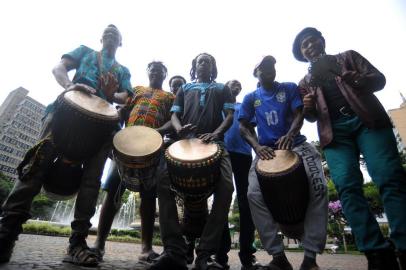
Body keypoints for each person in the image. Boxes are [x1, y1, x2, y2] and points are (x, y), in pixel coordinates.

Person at [0, 24, 132, 267]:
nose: (111, 33)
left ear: (120, 42)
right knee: (35, 166)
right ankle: (6, 233)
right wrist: (69, 85)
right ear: (101, 37)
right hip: (65, 112)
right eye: (107, 31)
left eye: (116, 33)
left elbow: (126, 97)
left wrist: (114, 96)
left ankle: (77, 243)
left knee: (92, 180)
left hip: (103, 125)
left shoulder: (123, 70)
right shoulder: (84, 52)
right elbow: (59, 67)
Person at [293, 27, 406, 270]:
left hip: (368, 122)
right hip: (334, 134)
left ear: (322, 41)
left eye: (313, 41)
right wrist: (308, 106)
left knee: (389, 178)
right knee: (347, 188)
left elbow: (379, 80)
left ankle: (404, 245)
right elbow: (312, 117)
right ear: (302, 54)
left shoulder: (348, 57)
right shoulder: (304, 82)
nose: (310, 46)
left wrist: (352, 76)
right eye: (305, 46)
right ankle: (376, 253)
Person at [239, 55, 328, 270]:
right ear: (256, 73)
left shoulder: (288, 88)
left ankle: (310, 258)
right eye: (264, 67)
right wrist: (257, 147)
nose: (269, 70)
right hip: (267, 152)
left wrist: (290, 133)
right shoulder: (251, 98)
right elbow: (244, 127)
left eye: (272, 66)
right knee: (253, 194)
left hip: (297, 145)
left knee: (319, 187)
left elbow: (300, 113)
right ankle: (278, 257)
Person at [149, 53, 235, 270]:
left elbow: (229, 116)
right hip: (185, 144)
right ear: (194, 67)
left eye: (208, 61)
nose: (203, 64)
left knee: (226, 187)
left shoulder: (222, 88)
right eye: (200, 61)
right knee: (162, 180)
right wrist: (178, 129)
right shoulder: (184, 89)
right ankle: (174, 250)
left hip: (216, 145)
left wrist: (216, 133)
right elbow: (175, 116)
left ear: (213, 67)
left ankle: (205, 255)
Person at [92, 61, 174, 266]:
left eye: (160, 69)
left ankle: (146, 249)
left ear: (165, 74)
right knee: (113, 190)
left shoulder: (170, 97)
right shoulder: (136, 90)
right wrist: (115, 135)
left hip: (152, 148)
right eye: (152, 68)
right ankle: (99, 244)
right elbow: (122, 112)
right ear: (147, 71)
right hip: (126, 145)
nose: (155, 71)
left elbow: (173, 120)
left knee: (148, 195)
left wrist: (157, 133)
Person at [214, 80, 263, 270]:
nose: (235, 85)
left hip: (243, 155)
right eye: (231, 83)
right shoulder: (220, 107)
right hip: (222, 153)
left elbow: (252, 128)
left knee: (247, 202)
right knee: (222, 200)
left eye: (237, 84)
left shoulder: (245, 105)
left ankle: (247, 255)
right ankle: (220, 255)